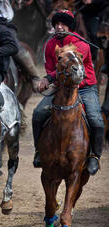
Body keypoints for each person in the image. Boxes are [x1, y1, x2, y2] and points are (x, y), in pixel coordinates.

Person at [33, 10, 104, 175]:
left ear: (70, 27)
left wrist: (47, 79)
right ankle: (39, 151)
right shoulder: (49, 45)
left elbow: (70, 67)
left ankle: (94, 155)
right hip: (62, 86)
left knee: (95, 119)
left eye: (63, 24)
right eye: (57, 24)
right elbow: (51, 69)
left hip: (85, 86)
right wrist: (51, 79)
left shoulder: (80, 44)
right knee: (38, 113)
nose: (59, 27)